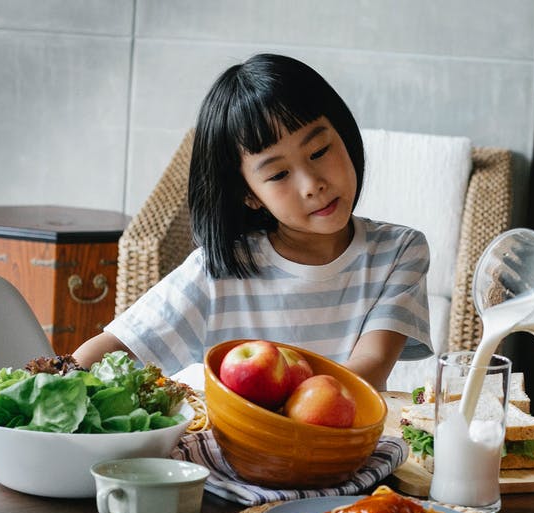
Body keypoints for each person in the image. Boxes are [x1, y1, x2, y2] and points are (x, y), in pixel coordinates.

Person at [74, 54, 432, 390]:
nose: (312, 185)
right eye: (278, 174)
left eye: (320, 151)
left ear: (344, 135)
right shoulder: (218, 271)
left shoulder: (398, 252)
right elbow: (101, 354)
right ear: (249, 194)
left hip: (344, 452)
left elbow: (368, 369)